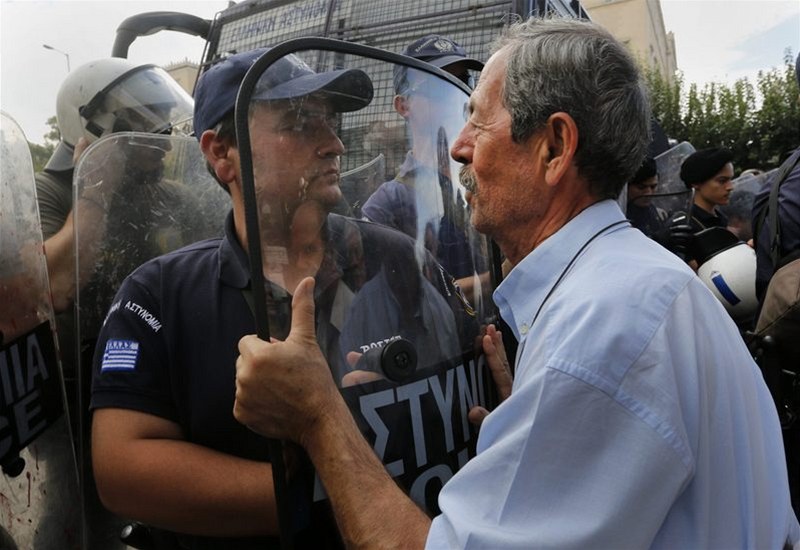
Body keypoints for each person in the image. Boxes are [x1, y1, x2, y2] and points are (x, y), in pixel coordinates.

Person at [232, 17, 799, 548]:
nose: (458, 146)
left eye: (477, 120)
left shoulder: (602, 328)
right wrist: (529, 418)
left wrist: (320, 418)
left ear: (554, 147)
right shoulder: (630, 287)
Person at [90, 47, 480, 549]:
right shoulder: (161, 295)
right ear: (221, 153)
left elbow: (475, 374)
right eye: (299, 123)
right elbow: (122, 468)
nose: (334, 143)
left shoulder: (399, 258)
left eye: (330, 121)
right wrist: (319, 490)